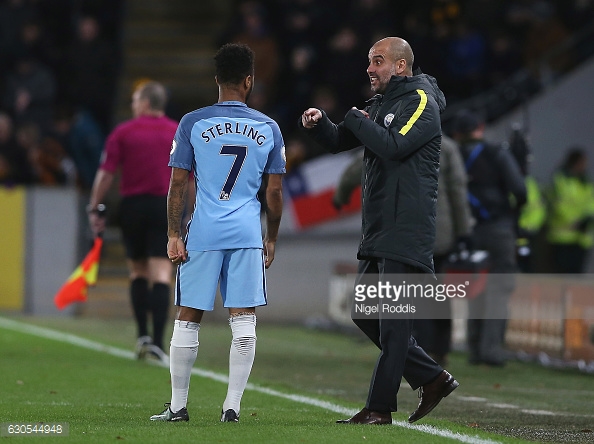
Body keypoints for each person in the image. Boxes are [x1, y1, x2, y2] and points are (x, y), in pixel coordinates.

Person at [300, 36, 458, 425]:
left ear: (400, 66)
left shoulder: (421, 100)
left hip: (405, 226)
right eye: (370, 61)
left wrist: (356, 118)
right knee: (364, 312)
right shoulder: (382, 103)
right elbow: (342, 140)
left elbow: (392, 145)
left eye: (378, 61)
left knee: (393, 323)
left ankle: (380, 408)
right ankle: (433, 377)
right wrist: (323, 124)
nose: (369, 69)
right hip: (380, 226)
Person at [150, 43, 285, 423]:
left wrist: (173, 233)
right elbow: (274, 193)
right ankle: (233, 406)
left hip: (205, 230)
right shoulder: (268, 127)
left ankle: (178, 407)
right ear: (249, 80)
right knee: (243, 318)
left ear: (216, 81)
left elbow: (178, 184)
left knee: (188, 315)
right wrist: (271, 236)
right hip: (246, 232)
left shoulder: (193, 122)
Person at [88, 81, 178, 363]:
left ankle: (142, 336)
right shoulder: (177, 131)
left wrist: (94, 206)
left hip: (133, 207)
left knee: (138, 270)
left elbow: (106, 174)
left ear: (146, 104)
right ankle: (159, 343)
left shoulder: (124, 132)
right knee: (162, 273)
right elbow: (191, 174)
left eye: (136, 101)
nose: (133, 106)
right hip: (165, 205)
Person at [451, 109, 526, 367]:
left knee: (474, 289)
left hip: (467, 231)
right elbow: (520, 189)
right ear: (480, 128)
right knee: (499, 289)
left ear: (458, 134)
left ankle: (474, 348)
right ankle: (491, 350)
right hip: (499, 228)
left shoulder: (452, 155)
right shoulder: (496, 153)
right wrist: (513, 217)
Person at [414, 134, 473, 366]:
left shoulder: (403, 139)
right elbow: (458, 190)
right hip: (443, 232)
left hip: (413, 232)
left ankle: (423, 348)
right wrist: (464, 232)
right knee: (438, 293)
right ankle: (441, 348)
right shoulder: (448, 147)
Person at [546, 147, 594, 273]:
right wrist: (576, 221)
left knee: (576, 275)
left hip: (581, 238)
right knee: (560, 274)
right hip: (562, 235)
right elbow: (559, 204)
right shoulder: (560, 179)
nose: (584, 166)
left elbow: (590, 203)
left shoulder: (586, 182)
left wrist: (587, 218)